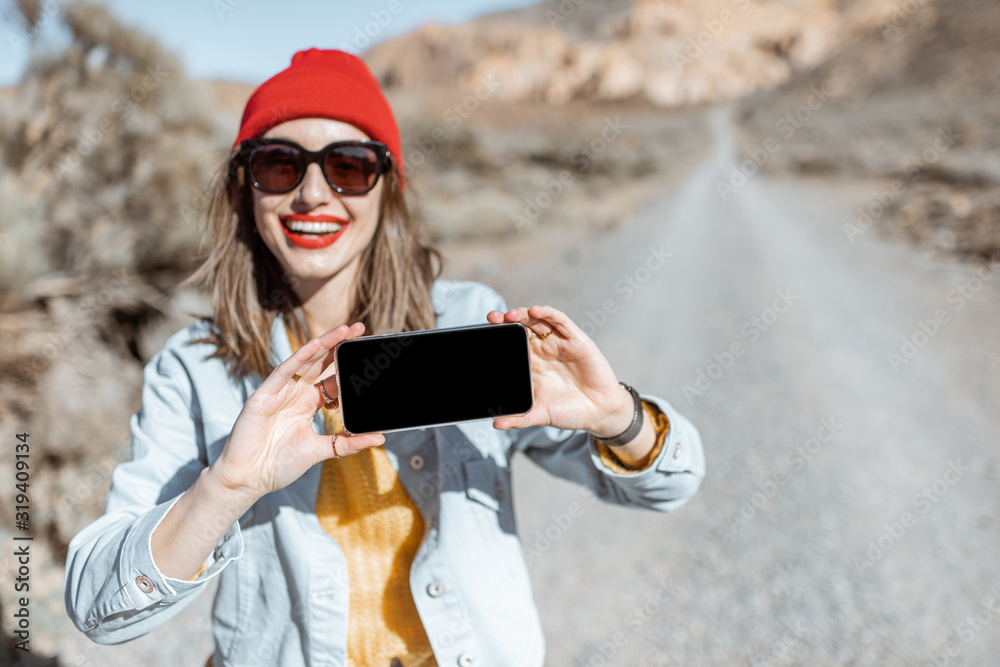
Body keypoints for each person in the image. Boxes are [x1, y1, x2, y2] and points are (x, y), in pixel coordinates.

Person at [63, 48, 705, 667]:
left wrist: (618, 419)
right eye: (281, 165)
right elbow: (96, 609)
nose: (313, 193)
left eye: (347, 165)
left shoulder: (466, 322)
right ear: (244, 187)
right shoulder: (197, 369)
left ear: (387, 187)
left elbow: (669, 489)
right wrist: (227, 488)